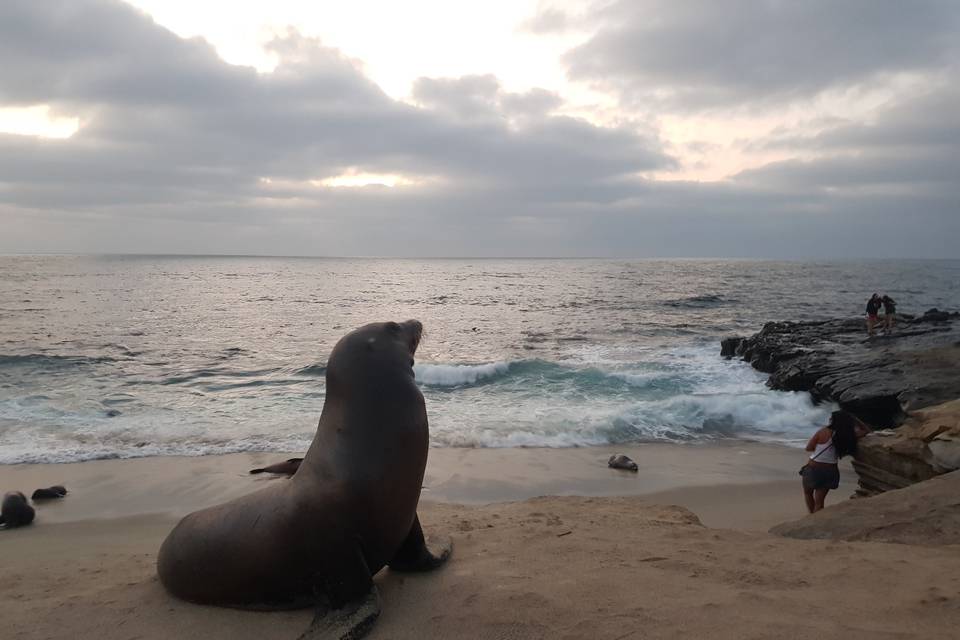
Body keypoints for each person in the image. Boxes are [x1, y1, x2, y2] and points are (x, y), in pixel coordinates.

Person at [800, 410, 869, 513]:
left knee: (808, 493)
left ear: (834, 420)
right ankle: (816, 520)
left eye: (831, 418)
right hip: (830, 470)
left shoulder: (823, 431)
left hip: (813, 469)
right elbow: (866, 430)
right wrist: (854, 419)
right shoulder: (848, 435)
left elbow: (809, 448)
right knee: (820, 502)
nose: (829, 419)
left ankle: (812, 517)